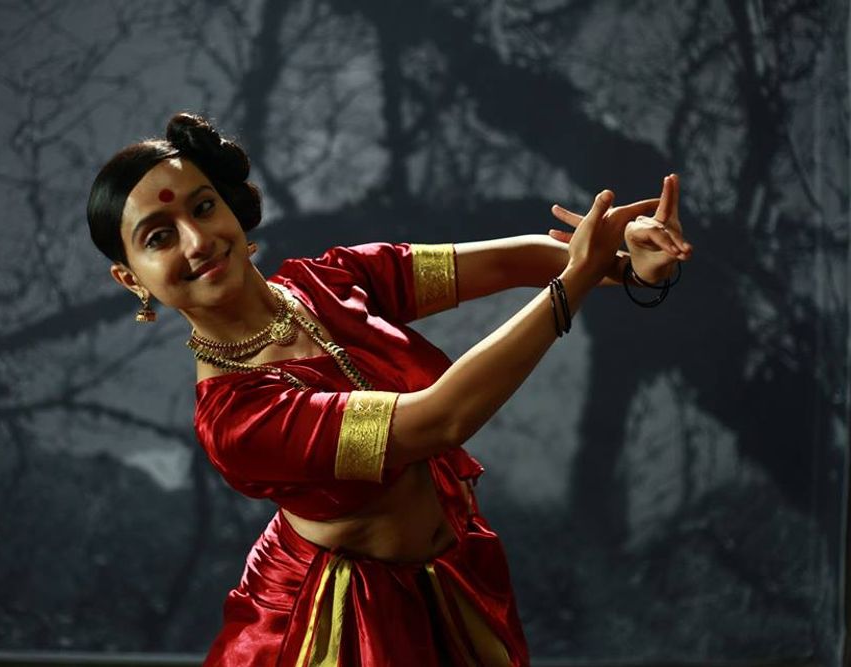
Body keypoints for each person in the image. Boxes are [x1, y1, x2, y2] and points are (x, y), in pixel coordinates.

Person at [86, 112, 691, 666]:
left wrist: (625, 265)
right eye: (158, 237)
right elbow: (440, 420)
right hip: (340, 626)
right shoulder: (239, 419)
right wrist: (576, 281)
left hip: (452, 579)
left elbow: (513, 262)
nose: (196, 241)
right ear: (129, 278)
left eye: (203, 207)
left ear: (229, 208)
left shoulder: (329, 281)